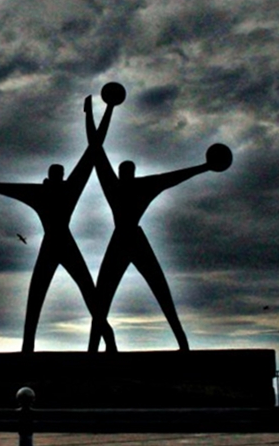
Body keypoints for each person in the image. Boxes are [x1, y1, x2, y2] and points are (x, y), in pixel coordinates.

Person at [0, 95, 117, 353]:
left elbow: (93, 150)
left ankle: (104, 339)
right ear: (56, 176)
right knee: (48, 294)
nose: (56, 177)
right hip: (58, 242)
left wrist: (99, 111)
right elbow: (6, 189)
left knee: (80, 293)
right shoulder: (57, 190)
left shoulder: (54, 191)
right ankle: (31, 345)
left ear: (53, 176)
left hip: (60, 242)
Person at [85, 89, 232, 351]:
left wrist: (204, 167)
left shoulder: (124, 186)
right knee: (104, 297)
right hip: (126, 238)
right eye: (124, 170)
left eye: (126, 170)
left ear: (127, 173)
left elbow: (98, 150)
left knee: (151, 291)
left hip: (127, 238)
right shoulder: (130, 186)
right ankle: (96, 348)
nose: (125, 172)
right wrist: (104, 111)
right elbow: (96, 149)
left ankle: (180, 342)